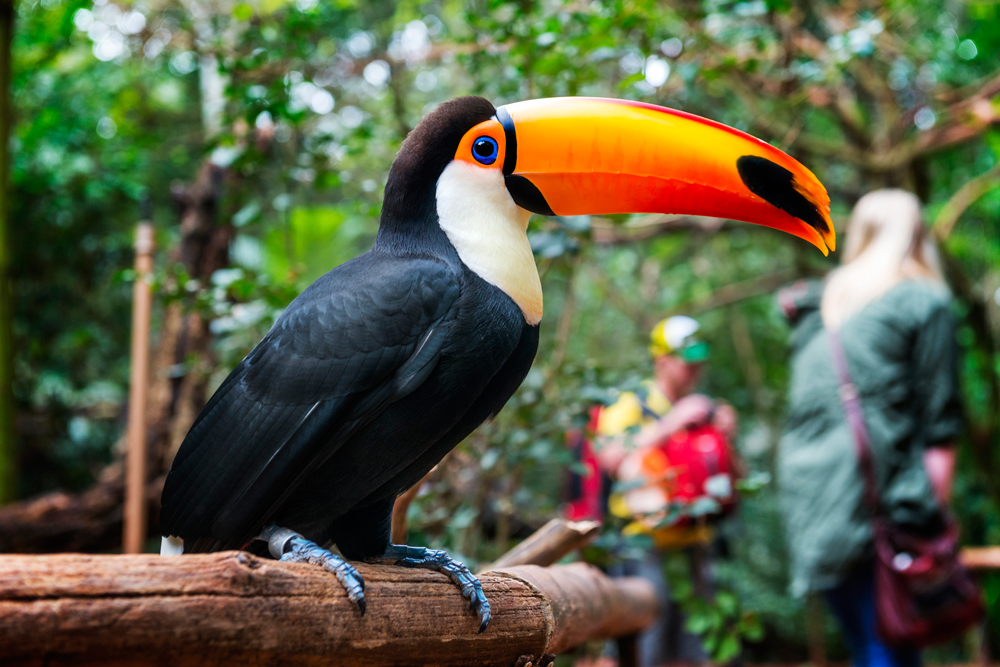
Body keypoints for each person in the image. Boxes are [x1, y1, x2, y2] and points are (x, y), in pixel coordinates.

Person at [777, 189, 962, 667]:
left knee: (871, 646)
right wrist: (934, 525)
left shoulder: (821, 310)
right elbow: (939, 426)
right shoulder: (922, 299)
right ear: (916, 234)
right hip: (876, 512)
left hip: (812, 510)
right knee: (889, 649)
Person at [566, 316, 739, 667]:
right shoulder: (632, 401)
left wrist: (725, 438)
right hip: (642, 543)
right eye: (687, 363)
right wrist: (671, 423)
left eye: (699, 363)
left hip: (695, 541)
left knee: (695, 651)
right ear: (662, 361)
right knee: (644, 645)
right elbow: (610, 456)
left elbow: (733, 476)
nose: (695, 371)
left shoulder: (706, 410)